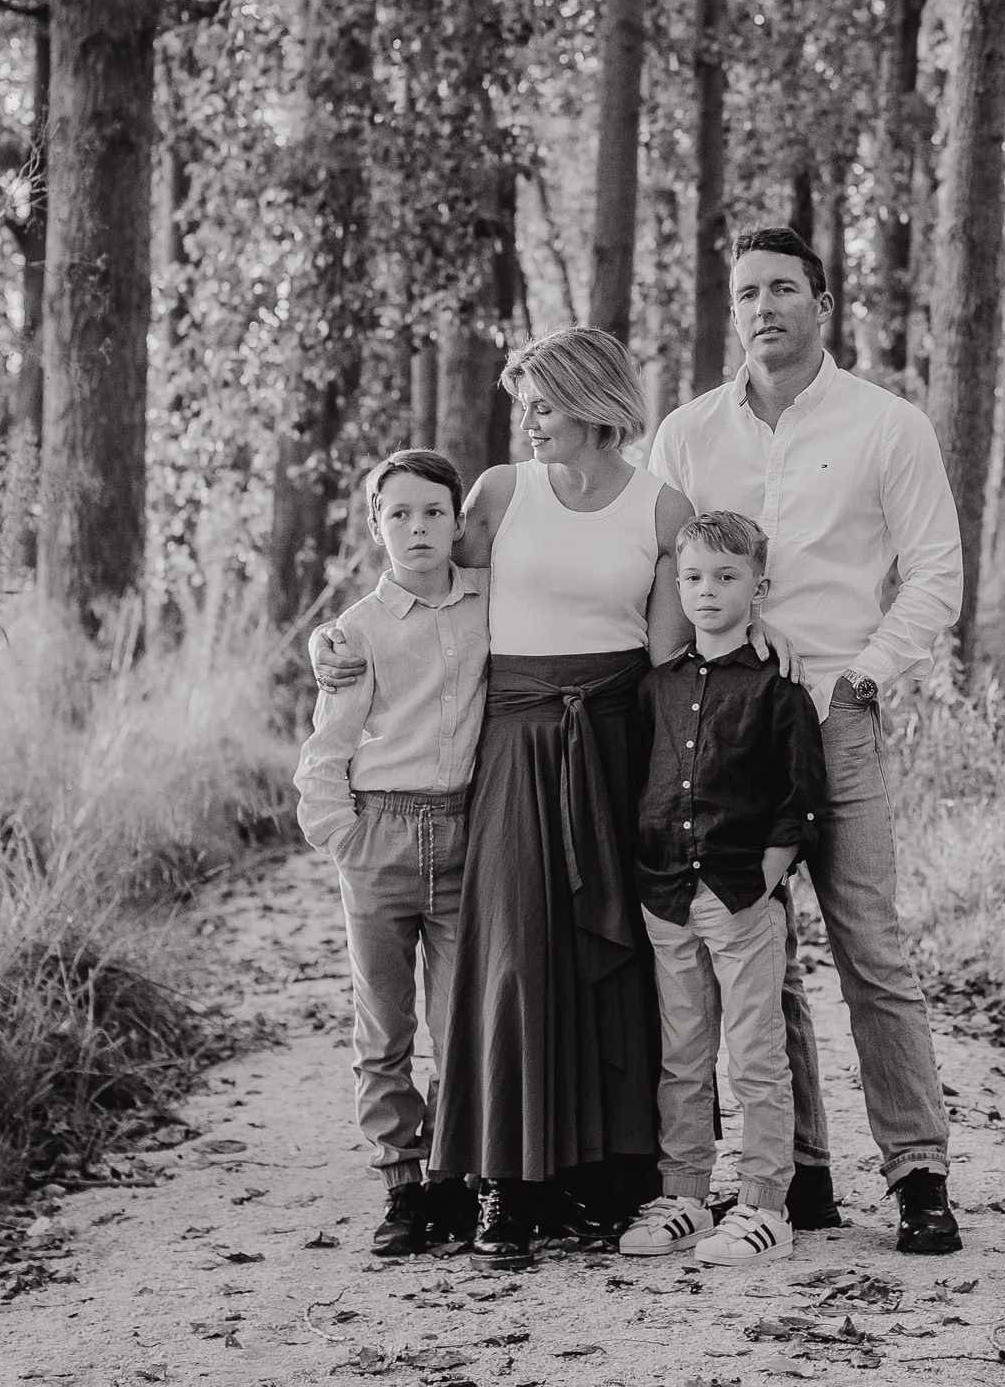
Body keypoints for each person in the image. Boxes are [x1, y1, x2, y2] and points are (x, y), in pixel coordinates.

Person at [318, 327, 696, 1264]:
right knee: (514, 955)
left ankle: (608, 1178)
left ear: (595, 403)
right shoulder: (498, 492)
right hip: (515, 742)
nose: (527, 420)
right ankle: (506, 1181)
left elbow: (669, 653)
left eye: (544, 403)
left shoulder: (661, 507)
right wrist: (337, 642)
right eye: (523, 404)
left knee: (614, 961)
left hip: (615, 739)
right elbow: (424, 582)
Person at [649, 224, 966, 1255]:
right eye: (747, 291)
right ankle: (802, 1172)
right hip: (728, 732)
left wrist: (865, 673)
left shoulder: (886, 425)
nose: (763, 307)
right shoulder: (687, 435)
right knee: (759, 948)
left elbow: (935, 573)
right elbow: (660, 577)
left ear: (822, 305)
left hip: (836, 716)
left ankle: (918, 1174)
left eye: (783, 288)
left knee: (869, 943)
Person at [293, 449, 487, 1259]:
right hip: (381, 832)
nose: (418, 528)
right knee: (384, 1024)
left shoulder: (490, 605)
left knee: (460, 1020)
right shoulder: (357, 631)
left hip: (466, 831)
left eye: (434, 512)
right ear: (376, 527)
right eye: (399, 514)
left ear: (458, 521)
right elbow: (328, 744)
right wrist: (343, 836)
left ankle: (451, 1176)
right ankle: (401, 1182)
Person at [619, 511, 826, 1267]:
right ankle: (684, 1196)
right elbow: (640, 784)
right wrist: (651, 875)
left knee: (756, 1056)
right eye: (694, 578)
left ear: (758, 589)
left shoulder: (779, 689)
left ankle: (765, 1206)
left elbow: (801, 802)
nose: (707, 591)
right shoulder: (658, 688)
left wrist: (759, 884)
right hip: (666, 898)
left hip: (741, 898)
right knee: (682, 1054)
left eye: (726, 577)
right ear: (678, 587)